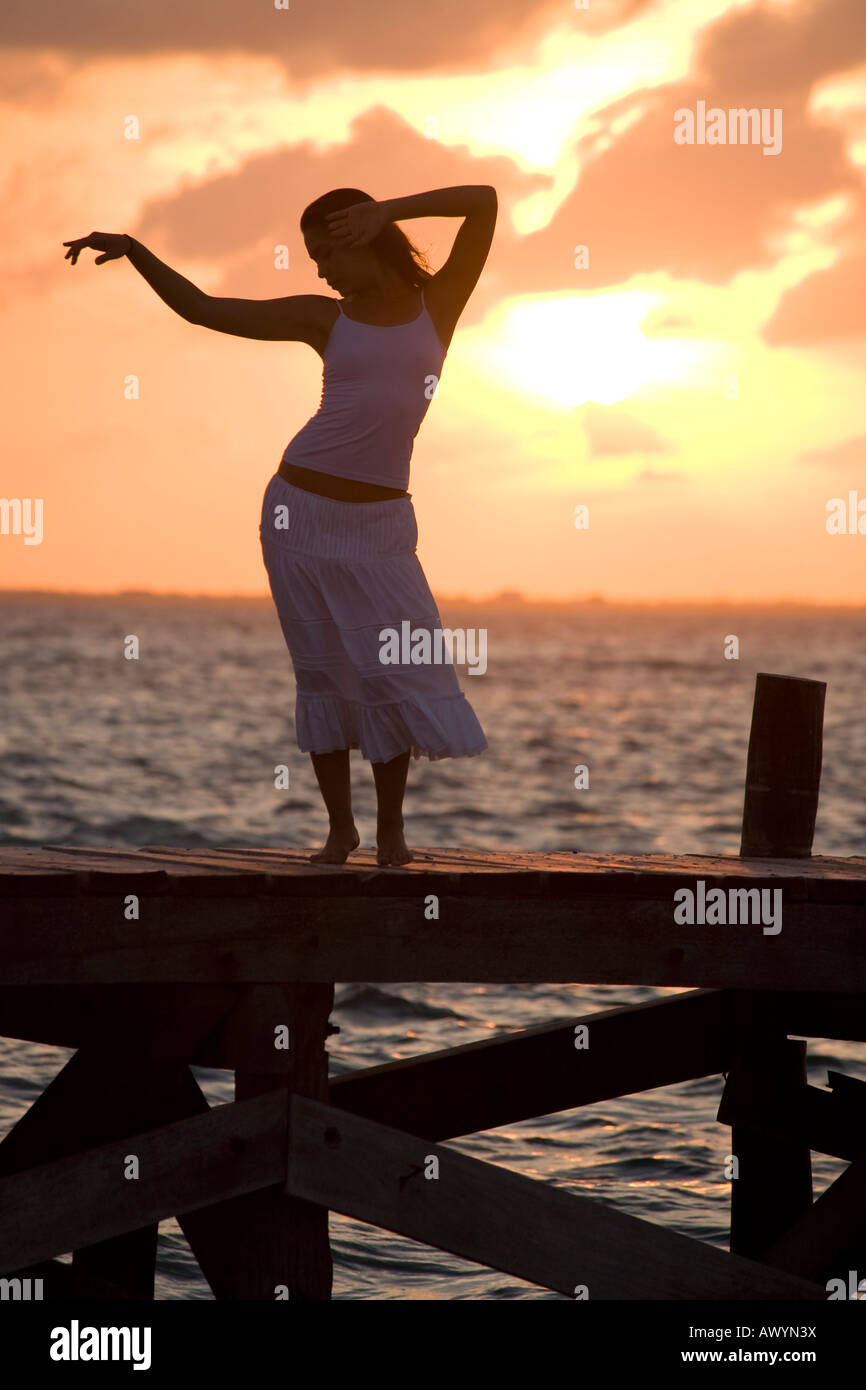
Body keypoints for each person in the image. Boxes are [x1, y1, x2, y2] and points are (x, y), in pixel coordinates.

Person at [63, 184, 496, 865]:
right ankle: (340, 831)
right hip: (299, 515)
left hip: (383, 526)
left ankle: (391, 834)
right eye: (313, 257)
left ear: (361, 236)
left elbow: (485, 202)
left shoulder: (437, 305)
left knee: (392, 669)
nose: (320, 270)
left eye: (326, 253)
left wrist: (391, 210)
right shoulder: (324, 319)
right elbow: (205, 310)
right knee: (323, 671)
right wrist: (136, 251)